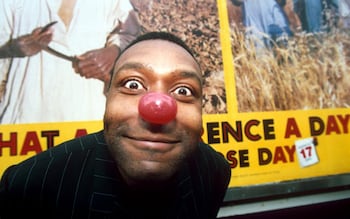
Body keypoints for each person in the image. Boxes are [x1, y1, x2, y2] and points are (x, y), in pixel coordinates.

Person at [0, 31, 231, 218]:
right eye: (132, 84)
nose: (157, 109)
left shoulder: (214, 172)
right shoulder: (29, 184)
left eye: (183, 90)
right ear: (107, 95)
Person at [0, 0, 140, 124]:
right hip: (27, 115)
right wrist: (11, 49)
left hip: (86, 115)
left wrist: (114, 51)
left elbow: (129, 35)